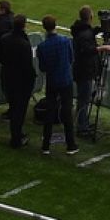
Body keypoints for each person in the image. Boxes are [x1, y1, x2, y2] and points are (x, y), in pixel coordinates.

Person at [35, 16, 77, 155]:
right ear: (55, 25)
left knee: (50, 112)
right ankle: (71, 145)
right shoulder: (64, 41)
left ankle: (45, 146)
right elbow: (71, 58)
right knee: (67, 112)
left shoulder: (42, 46)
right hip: (65, 80)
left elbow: (42, 67)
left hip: (52, 81)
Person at [0, 13, 37, 147]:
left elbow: (0, 58)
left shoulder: (4, 38)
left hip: (8, 78)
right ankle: (16, 138)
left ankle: (17, 135)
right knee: (19, 111)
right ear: (24, 26)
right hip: (20, 81)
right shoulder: (24, 44)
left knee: (14, 108)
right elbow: (27, 66)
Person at [70, 6, 100, 134]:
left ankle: (83, 123)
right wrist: (102, 48)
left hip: (81, 68)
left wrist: (98, 30)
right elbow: (87, 49)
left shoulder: (80, 30)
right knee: (84, 99)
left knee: (83, 98)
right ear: (91, 17)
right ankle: (82, 127)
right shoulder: (84, 34)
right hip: (85, 70)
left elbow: (88, 34)